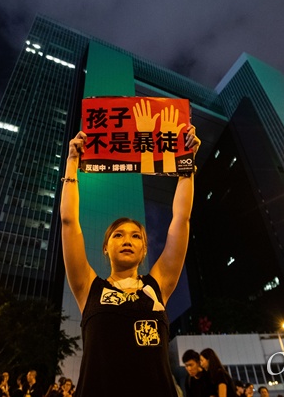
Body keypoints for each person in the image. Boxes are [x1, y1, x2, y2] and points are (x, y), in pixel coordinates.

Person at [60, 126, 199, 397]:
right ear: (105, 248)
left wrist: (186, 164)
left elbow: (181, 220)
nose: (127, 240)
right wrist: (72, 162)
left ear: (145, 250)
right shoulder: (88, 288)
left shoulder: (158, 285)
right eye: (118, 235)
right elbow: (68, 222)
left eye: (136, 236)